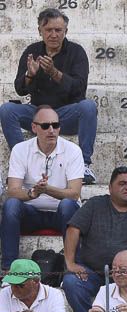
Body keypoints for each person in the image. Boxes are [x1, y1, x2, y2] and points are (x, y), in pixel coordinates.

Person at [1, 9, 98, 185]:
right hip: (38, 113)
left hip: (66, 114)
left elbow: (79, 89)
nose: (53, 35)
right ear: (40, 31)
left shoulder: (76, 52)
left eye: (58, 30)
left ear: (65, 31)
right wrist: (29, 76)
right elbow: (19, 89)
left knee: (88, 106)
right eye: (48, 30)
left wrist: (54, 73)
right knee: (7, 110)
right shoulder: (32, 51)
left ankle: (84, 164)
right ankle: (21, 163)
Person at [60, 167, 127, 312]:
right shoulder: (94, 205)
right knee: (71, 282)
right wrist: (70, 263)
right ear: (110, 187)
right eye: (123, 183)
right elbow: (73, 229)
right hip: (94, 273)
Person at [2, 106, 81, 270]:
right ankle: (8, 268)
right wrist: (33, 193)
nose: (51, 130)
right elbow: (13, 190)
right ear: (34, 127)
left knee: (68, 205)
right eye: (45, 126)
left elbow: (74, 194)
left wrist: (47, 189)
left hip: (62, 214)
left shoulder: (73, 150)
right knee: (11, 205)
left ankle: (71, 266)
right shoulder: (20, 149)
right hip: (31, 212)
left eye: (56, 125)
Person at [0, 259, 67, 312]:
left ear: (36, 281)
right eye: (12, 284)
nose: (14, 289)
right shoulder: (5, 293)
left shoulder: (54, 294)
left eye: (20, 285)